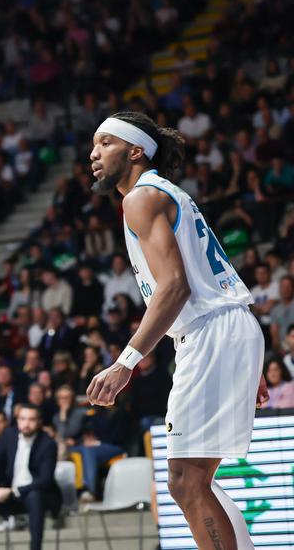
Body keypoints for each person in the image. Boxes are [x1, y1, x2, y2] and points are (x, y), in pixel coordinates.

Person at [86, 112, 267, 549]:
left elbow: (176, 286)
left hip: (212, 332)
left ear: (136, 151)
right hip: (224, 330)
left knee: (186, 480)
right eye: (93, 145)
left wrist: (125, 362)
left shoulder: (141, 198)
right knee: (195, 480)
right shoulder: (164, 194)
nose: (93, 153)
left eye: (105, 143)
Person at [0, 405, 60, 550]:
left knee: (35, 496)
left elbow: (45, 480)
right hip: (10, 494)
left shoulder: (48, 443)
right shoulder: (9, 435)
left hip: (37, 494)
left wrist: (12, 490)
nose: (26, 424)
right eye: (22, 419)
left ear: (39, 422)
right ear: (17, 420)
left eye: (31, 419)